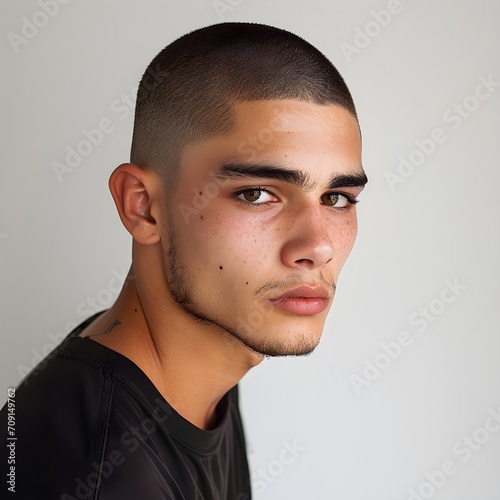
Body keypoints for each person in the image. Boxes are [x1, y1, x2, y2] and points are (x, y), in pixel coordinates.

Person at [0, 22, 367, 499]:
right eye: (257, 194)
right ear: (143, 206)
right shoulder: (103, 473)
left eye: (337, 198)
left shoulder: (202, 353)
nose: (318, 247)